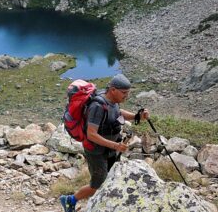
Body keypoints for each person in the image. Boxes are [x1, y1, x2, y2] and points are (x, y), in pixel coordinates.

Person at [59, 74, 150, 212]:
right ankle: (70, 200)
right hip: (96, 151)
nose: (126, 96)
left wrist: (137, 116)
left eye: (128, 93)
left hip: (109, 148)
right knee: (97, 183)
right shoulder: (98, 106)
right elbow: (91, 134)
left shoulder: (111, 101)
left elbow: (118, 112)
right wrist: (115, 146)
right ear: (113, 90)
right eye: (124, 93)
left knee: (111, 176)